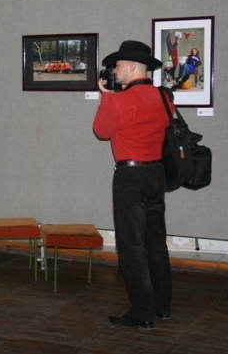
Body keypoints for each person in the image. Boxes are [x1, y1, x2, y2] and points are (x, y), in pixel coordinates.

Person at [92, 40, 174, 330]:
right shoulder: (164, 97)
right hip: (156, 174)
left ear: (129, 66)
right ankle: (162, 307)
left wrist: (106, 97)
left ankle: (142, 313)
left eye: (116, 66)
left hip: (130, 177)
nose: (114, 71)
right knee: (156, 243)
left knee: (132, 248)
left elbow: (101, 131)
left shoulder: (120, 100)